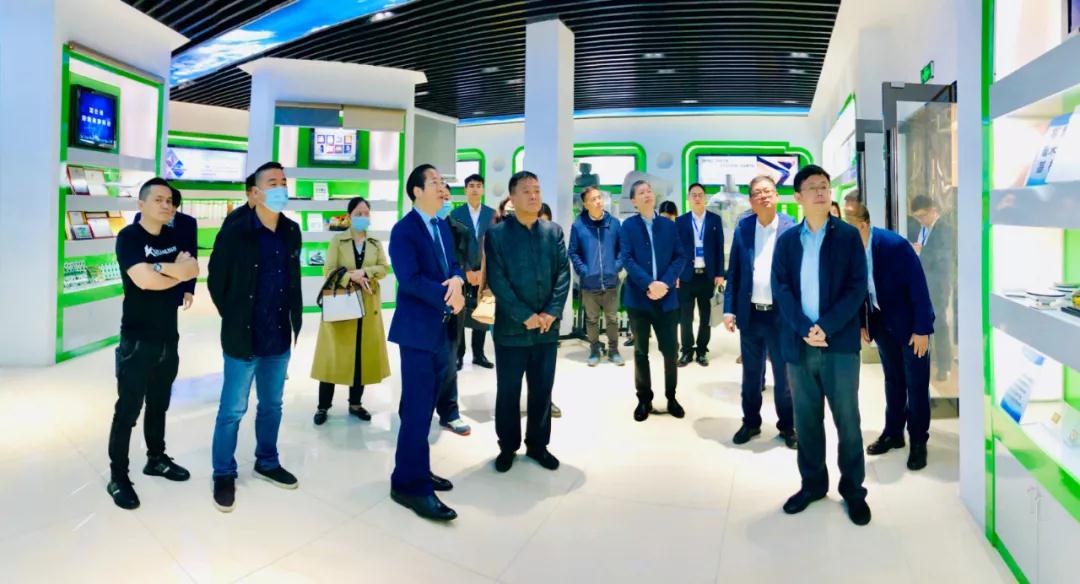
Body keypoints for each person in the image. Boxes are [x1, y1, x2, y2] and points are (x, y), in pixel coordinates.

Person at [772, 164, 870, 526]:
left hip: (839, 344)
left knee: (848, 421)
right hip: (799, 346)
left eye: (824, 186)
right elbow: (781, 288)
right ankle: (813, 485)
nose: (820, 192)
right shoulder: (787, 241)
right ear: (798, 197)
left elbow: (857, 287)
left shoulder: (847, 236)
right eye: (812, 187)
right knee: (807, 421)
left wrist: (825, 326)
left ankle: (853, 490)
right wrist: (804, 328)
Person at [208, 161, 303, 513]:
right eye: (272, 182)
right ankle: (223, 472)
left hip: (278, 335)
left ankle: (267, 460)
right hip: (242, 336)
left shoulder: (291, 230)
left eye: (284, 182)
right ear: (255, 192)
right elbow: (216, 280)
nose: (281, 188)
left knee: (272, 404)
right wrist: (234, 317)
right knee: (232, 409)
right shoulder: (236, 232)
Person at [105, 178, 199, 510]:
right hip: (137, 338)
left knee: (159, 403)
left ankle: (156, 458)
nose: (166, 205)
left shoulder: (173, 238)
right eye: (158, 199)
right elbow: (144, 281)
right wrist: (174, 271)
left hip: (168, 337)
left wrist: (162, 270)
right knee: (128, 410)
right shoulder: (129, 237)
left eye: (170, 201)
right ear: (141, 204)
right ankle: (118, 477)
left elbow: (193, 269)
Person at [386, 164, 465, 522]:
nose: (442, 187)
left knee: (426, 407)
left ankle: (416, 468)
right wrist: (449, 296)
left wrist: (458, 282)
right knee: (416, 410)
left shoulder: (442, 226)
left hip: (442, 330)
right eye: (434, 182)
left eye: (442, 182)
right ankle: (409, 486)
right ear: (416, 191)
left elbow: (454, 265)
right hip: (417, 332)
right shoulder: (404, 230)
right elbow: (411, 280)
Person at [485, 170, 570, 473]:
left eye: (537, 190)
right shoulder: (497, 235)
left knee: (542, 390)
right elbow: (497, 280)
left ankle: (538, 445)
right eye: (526, 190)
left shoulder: (553, 232)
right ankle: (507, 446)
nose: (534, 195)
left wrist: (550, 313)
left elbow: (563, 273)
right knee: (508, 391)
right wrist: (525, 315)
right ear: (512, 197)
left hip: (546, 329)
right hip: (511, 330)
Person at [846, 202, 935, 471]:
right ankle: (893, 433)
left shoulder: (894, 245)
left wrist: (922, 329)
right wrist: (863, 322)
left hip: (910, 327)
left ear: (863, 225)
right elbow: (860, 289)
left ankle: (918, 440)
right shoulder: (852, 249)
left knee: (916, 384)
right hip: (881, 324)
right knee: (893, 380)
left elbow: (919, 287)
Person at [723, 175, 797, 449]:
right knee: (751, 376)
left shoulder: (791, 228)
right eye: (757, 193)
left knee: (784, 376)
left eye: (768, 191)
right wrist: (729, 309)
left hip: (781, 317)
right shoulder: (743, 229)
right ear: (751, 201)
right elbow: (734, 272)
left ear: (776, 196)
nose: (764, 196)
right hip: (751, 315)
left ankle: (788, 426)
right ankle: (751, 422)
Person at [310, 197, 391, 425]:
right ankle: (323, 406)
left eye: (366, 213)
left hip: (367, 306)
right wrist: (350, 277)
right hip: (341, 304)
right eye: (358, 213)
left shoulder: (374, 242)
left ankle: (355, 403)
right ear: (349, 216)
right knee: (333, 355)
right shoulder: (338, 240)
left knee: (361, 356)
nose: (363, 217)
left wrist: (364, 272)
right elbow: (328, 270)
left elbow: (384, 268)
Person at [619, 179, 689, 422]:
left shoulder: (668, 225)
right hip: (639, 300)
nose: (647, 194)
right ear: (634, 201)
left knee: (670, 351)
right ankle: (644, 399)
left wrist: (665, 284)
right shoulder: (628, 226)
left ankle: (671, 396)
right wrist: (649, 284)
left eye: (649, 191)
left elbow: (680, 257)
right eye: (641, 192)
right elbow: (627, 259)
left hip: (667, 299)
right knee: (640, 352)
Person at [568, 185, 624, 367]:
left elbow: (623, 250)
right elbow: (573, 252)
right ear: (585, 204)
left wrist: (615, 267)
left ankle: (614, 350)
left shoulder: (614, 223)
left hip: (610, 281)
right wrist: (584, 270)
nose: (599, 201)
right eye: (593, 199)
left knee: (612, 319)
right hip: (589, 282)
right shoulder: (578, 226)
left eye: (599, 197)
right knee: (591, 320)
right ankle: (594, 350)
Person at [438, 182, 475, 436]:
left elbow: (464, 264)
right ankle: (414, 411)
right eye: (440, 195)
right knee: (422, 362)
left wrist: (459, 281)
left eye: (447, 196)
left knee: (450, 358)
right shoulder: (414, 228)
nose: (444, 200)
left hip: (455, 302)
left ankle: (449, 412)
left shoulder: (460, 230)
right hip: (425, 303)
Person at [448, 173, 495, 370]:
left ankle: (479, 354)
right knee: (459, 313)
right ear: (466, 189)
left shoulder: (491, 215)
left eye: (478, 185)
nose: (475, 189)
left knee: (482, 311)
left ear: (482, 189)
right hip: (461, 271)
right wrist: (466, 269)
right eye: (471, 186)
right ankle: (459, 355)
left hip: (485, 271)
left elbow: (494, 244)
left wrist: (483, 270)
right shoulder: (455, 215)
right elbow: (453, 246)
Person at [676, 182, 725, 367]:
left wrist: (720, 273)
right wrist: (675, 274)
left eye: (700, 195)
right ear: (688, 198)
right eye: (693, 195)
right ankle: (686, 351)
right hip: (686, 276)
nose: (697, 198)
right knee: (685, 317)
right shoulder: (681, 221)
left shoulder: (714, 220)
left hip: (707, 276)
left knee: (706, 316)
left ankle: (702, 350)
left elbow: (719, 248)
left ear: (705, 198)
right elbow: (676, 250)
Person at [910, 195, 955, 382]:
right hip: (924, 284)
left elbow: (943, 258)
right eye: (917, 217)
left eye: (922, 216)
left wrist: (921, 252)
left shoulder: (944, 229)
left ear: (932, 210)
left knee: (939, 323)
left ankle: (944, 366)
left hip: (938, 285)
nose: (920, 220)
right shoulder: (923, 229)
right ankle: (930, 362)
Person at [133, 184, 198, 310]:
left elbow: (192, 255)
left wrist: (189, 290)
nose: (167, 214)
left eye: (172, 211)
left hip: (175, 284)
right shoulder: (141, 217)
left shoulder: (188, 223)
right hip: (147, 283)